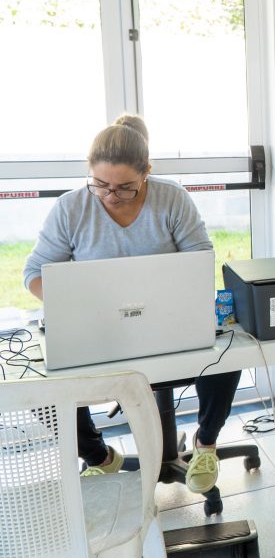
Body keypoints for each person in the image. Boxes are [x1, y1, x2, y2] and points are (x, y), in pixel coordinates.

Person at [23, 115, 239, 494]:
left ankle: (205, 444)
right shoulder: (71, 209)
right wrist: (76, 307)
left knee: (230, 351)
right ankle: (100, 458)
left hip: (168, 329)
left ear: (146, 174)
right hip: (99, 336)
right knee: (35, 382)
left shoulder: (171, 198)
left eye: (125, 188)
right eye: (100, 184)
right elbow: (33, 274)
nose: (110, 195)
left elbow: (199, 263)